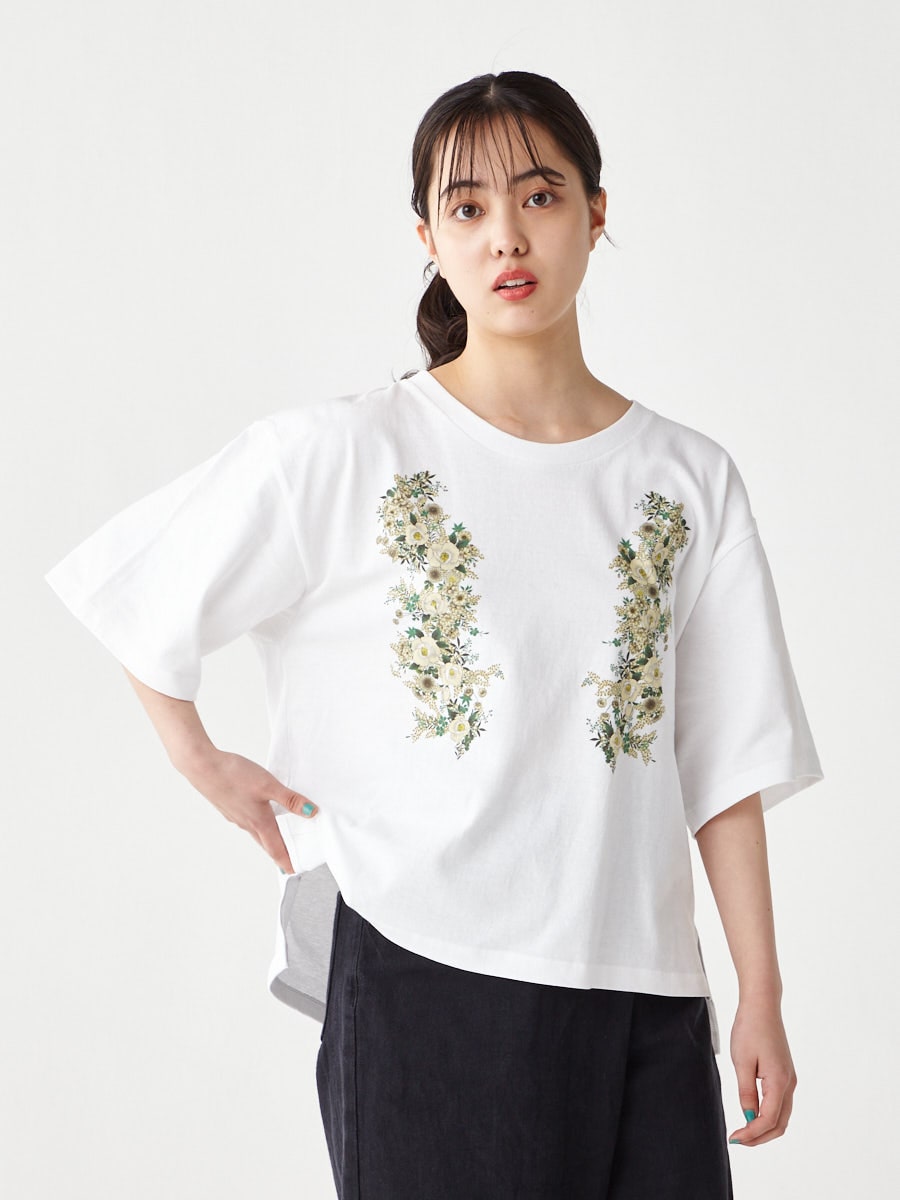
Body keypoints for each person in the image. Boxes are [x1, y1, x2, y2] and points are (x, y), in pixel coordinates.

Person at [44, 69, 824, 1199]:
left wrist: (760, 993)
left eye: (541, 195)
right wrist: (199, 756)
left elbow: (724, 762)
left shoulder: (686, 478)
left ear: (597, 212)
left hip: (648, 991)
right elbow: (141, 588)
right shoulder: (348, 451)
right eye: (467, 207)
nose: (507, 233)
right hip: (429, 971)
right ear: (428, 238)